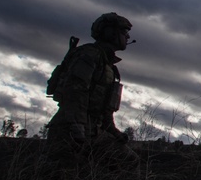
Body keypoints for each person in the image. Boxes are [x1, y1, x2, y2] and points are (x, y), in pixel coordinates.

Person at [45, 11, 137, 170]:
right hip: (69, 130)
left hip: (94, 131)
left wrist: (113, 131)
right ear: (110, 33)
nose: (127, 37)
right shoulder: (89, 55)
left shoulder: (109, 66)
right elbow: (74, 91)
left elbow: (105, 107)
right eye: (124, 32)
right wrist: (77, 126)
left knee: (128, 161)